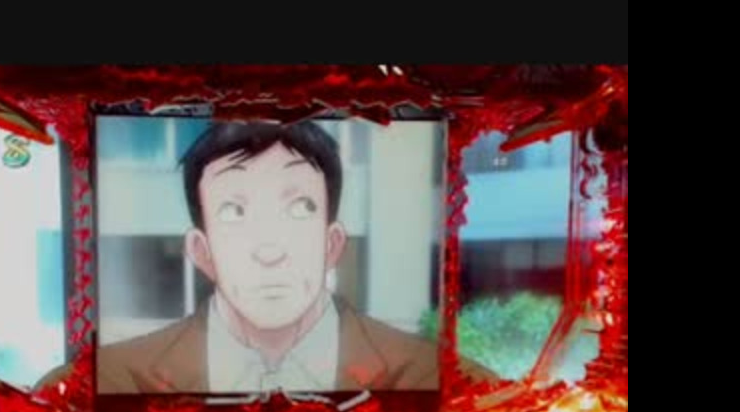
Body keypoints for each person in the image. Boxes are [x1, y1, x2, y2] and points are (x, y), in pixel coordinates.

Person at [37, 120, 494, 395]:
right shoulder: (112, 379)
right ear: (201, 251)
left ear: (333, 243)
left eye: (300, 207)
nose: (270, 250)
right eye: (233, 212)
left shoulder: (431, 376)